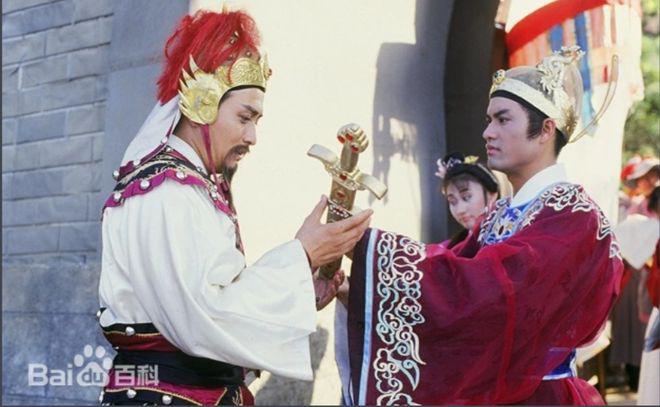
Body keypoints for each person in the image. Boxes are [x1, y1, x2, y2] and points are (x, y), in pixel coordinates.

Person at [97, 8, 371, 406]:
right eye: (245, 117)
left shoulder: (192, 185)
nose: (252, 136)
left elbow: (215, 298)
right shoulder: (165, 191)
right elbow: (203, 317)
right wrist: (302, 255)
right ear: (201, 104)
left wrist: (299, 289)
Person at [336, 46, 622, 405]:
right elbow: (449, 268)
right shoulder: (501, 213)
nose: (487, 132)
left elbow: (486, 290)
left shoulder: (572, 215)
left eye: (502, 120)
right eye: (488, 120)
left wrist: (363, 245)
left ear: (546, 129)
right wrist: (353, 287)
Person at [435, 152, 500, 248]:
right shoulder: (448, 248)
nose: (460, 210)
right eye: (452, 202)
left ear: (492, 195)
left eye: (467, 197)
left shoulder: (509, 237)